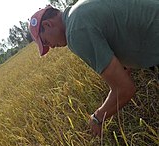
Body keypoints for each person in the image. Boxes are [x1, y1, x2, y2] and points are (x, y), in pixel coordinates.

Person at [29, 0, 159, 137]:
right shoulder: (80, 9)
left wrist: (97, 118)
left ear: (47, 24)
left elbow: (125, 89)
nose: (51, 47)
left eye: (45, 42)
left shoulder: (75, 31)